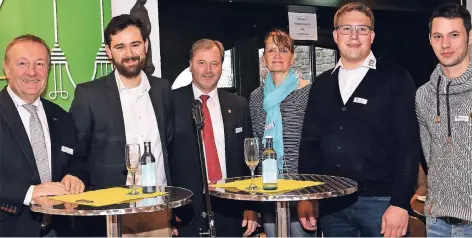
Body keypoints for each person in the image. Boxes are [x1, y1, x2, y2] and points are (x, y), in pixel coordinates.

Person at [297, 2, 421, 237]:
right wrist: (308, 196)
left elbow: (408, 146)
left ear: (372, 36)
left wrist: (400, 204)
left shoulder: (396, 78)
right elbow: (309, 144)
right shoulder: (321, 85)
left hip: (382, 204)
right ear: (335, 35)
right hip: (331, 204)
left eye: (362, 29)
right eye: (346, 29)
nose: (354, 36)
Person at [69, 14, 173, 236]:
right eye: (120, 47)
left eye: (135, 44)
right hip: (112, 211)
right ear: (109, 52)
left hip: (158, 207)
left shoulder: (163, 90)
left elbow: (170, 144)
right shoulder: (89, 94)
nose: (129, 54)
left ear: (145, 45)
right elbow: (76, 150)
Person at [169, 39, 259, 237]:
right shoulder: (170, 103)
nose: (208, 70)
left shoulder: (239, 105)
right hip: (186, 212)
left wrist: (252, 206)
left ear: (221, 67)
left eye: (214, 64)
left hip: (232, 208)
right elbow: (165, 160)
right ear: (190, 65)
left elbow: (249, 160)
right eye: (201, 63)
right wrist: (169, 210)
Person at [0, 34, 87, 237]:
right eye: (22, 63)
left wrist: (76, 176)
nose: (32, 72)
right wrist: (29, 193)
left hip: (59, 230)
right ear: (6, 69)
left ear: (48, 69)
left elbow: (78, 159)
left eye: (40, 63)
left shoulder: (61, 116)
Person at [249, 29, 313, 237]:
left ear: (292, 57)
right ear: (263, 58)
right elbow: (257, 143)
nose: (277, 55)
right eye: (271, 50)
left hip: (300, 188)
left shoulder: (308, 92)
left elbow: (314, 145)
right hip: (268, 187)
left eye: (283, 50)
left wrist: (308, 196)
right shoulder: (256, 97)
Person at [416, 3, 472, 237]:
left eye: (454, 35)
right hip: (436, 221)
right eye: (438, 36)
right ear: (430, 39)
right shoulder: (423, 95)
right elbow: (430, 156)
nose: (445, 44)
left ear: (470, 37)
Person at [130, 0, 155, 75]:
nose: (145, 0)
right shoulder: (134, 11)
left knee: (148, 54)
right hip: (140, 37)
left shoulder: (144, 10)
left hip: (146, 36)